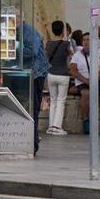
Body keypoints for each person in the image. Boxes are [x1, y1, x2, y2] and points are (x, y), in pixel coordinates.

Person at [70, 31, 100, 135]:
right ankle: (86, 121)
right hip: (83, 81)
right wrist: (86, 80)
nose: (86, 42)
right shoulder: (77, 55)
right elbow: (73, 70)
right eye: (84, 40)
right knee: (86, 95)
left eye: (88, 40)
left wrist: (95, 79)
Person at [21, 19, 49, 153]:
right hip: (28, 72)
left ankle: (32, 142)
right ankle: (32, 139)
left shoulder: (28, 31)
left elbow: (31, 52)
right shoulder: (20, 30)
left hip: (35, 73)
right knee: (29, 107)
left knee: (33, 108)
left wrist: (14, 50)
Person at [45, 20, 73, 136]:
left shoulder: (49, 44)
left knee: (53, 100)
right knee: (61, 101)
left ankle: (51, 125)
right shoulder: (66, 44)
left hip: (51, 74)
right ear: (62, 30)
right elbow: (72, 54)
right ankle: (57, 126)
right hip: (63, 74)